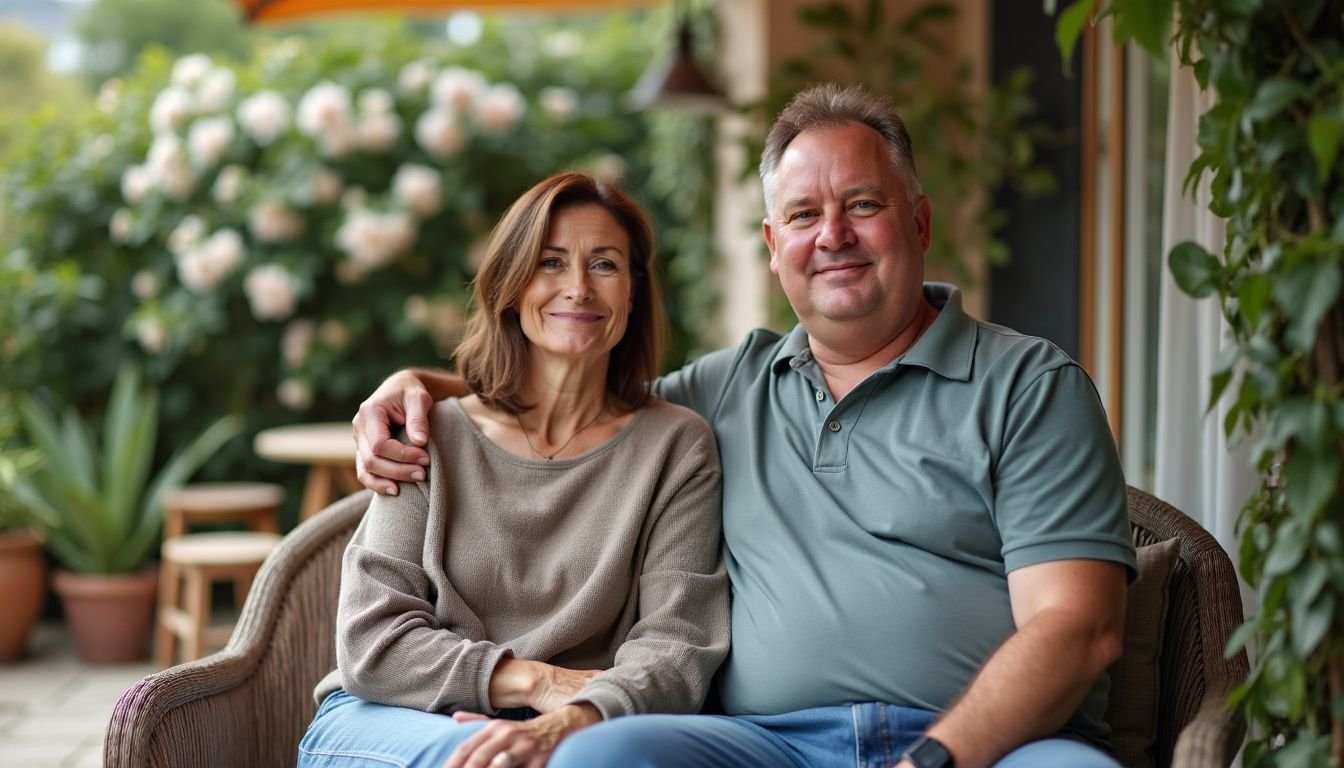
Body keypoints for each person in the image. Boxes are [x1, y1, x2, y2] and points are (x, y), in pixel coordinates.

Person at [351, 84, 1135, 768]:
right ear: (772, 247)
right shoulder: (725, 389)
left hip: (993, 748)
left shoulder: (1030, 386)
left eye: (863, 205)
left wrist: (933, 760)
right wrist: (414, 387)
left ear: (920, 221)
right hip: (767, 745)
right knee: (604, 754)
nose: (833, 236)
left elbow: (1078, 627)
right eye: (803, 215)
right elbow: (564, 385)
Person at [299, 172, 730, 768]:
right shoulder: (426, 431)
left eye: (604, 265)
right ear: (512, 283)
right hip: (393, 717)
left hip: (575, 734)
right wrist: (536, 682)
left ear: (633, 293)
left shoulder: (676, 447)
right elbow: (372, 644)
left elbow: (677, 643)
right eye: (551, 263)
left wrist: (577, 715)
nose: (578, 288)